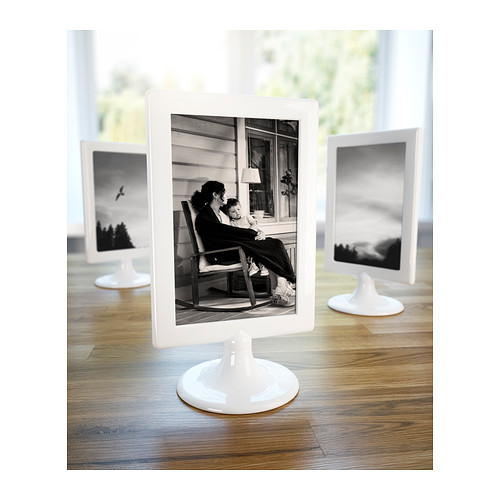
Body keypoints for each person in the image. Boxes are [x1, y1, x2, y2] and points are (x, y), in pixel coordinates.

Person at [190, 181, 295, 307]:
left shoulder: (221, 211)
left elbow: (235, 228)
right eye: (224, 192)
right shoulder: (205, 217)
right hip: (223, 253)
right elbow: (226, 233)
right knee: (274, 245)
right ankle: (280, 289)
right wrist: (251, 234)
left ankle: (278, 289)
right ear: (215, 195)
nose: (226, 195)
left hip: (235, 245)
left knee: (274, 243)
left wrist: (258, 232)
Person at [224, 197, 269, 277]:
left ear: (241, 208)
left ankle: (262, 265)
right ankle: (253, 265)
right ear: (229, 214)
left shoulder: (246, 217)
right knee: (248, 249)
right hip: (244, 240)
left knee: (258, 248)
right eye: (233, 211)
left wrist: (250, 232)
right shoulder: (232, 223)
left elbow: (254, 224)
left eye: (238, 209)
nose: (237, 212)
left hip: (252, 236)